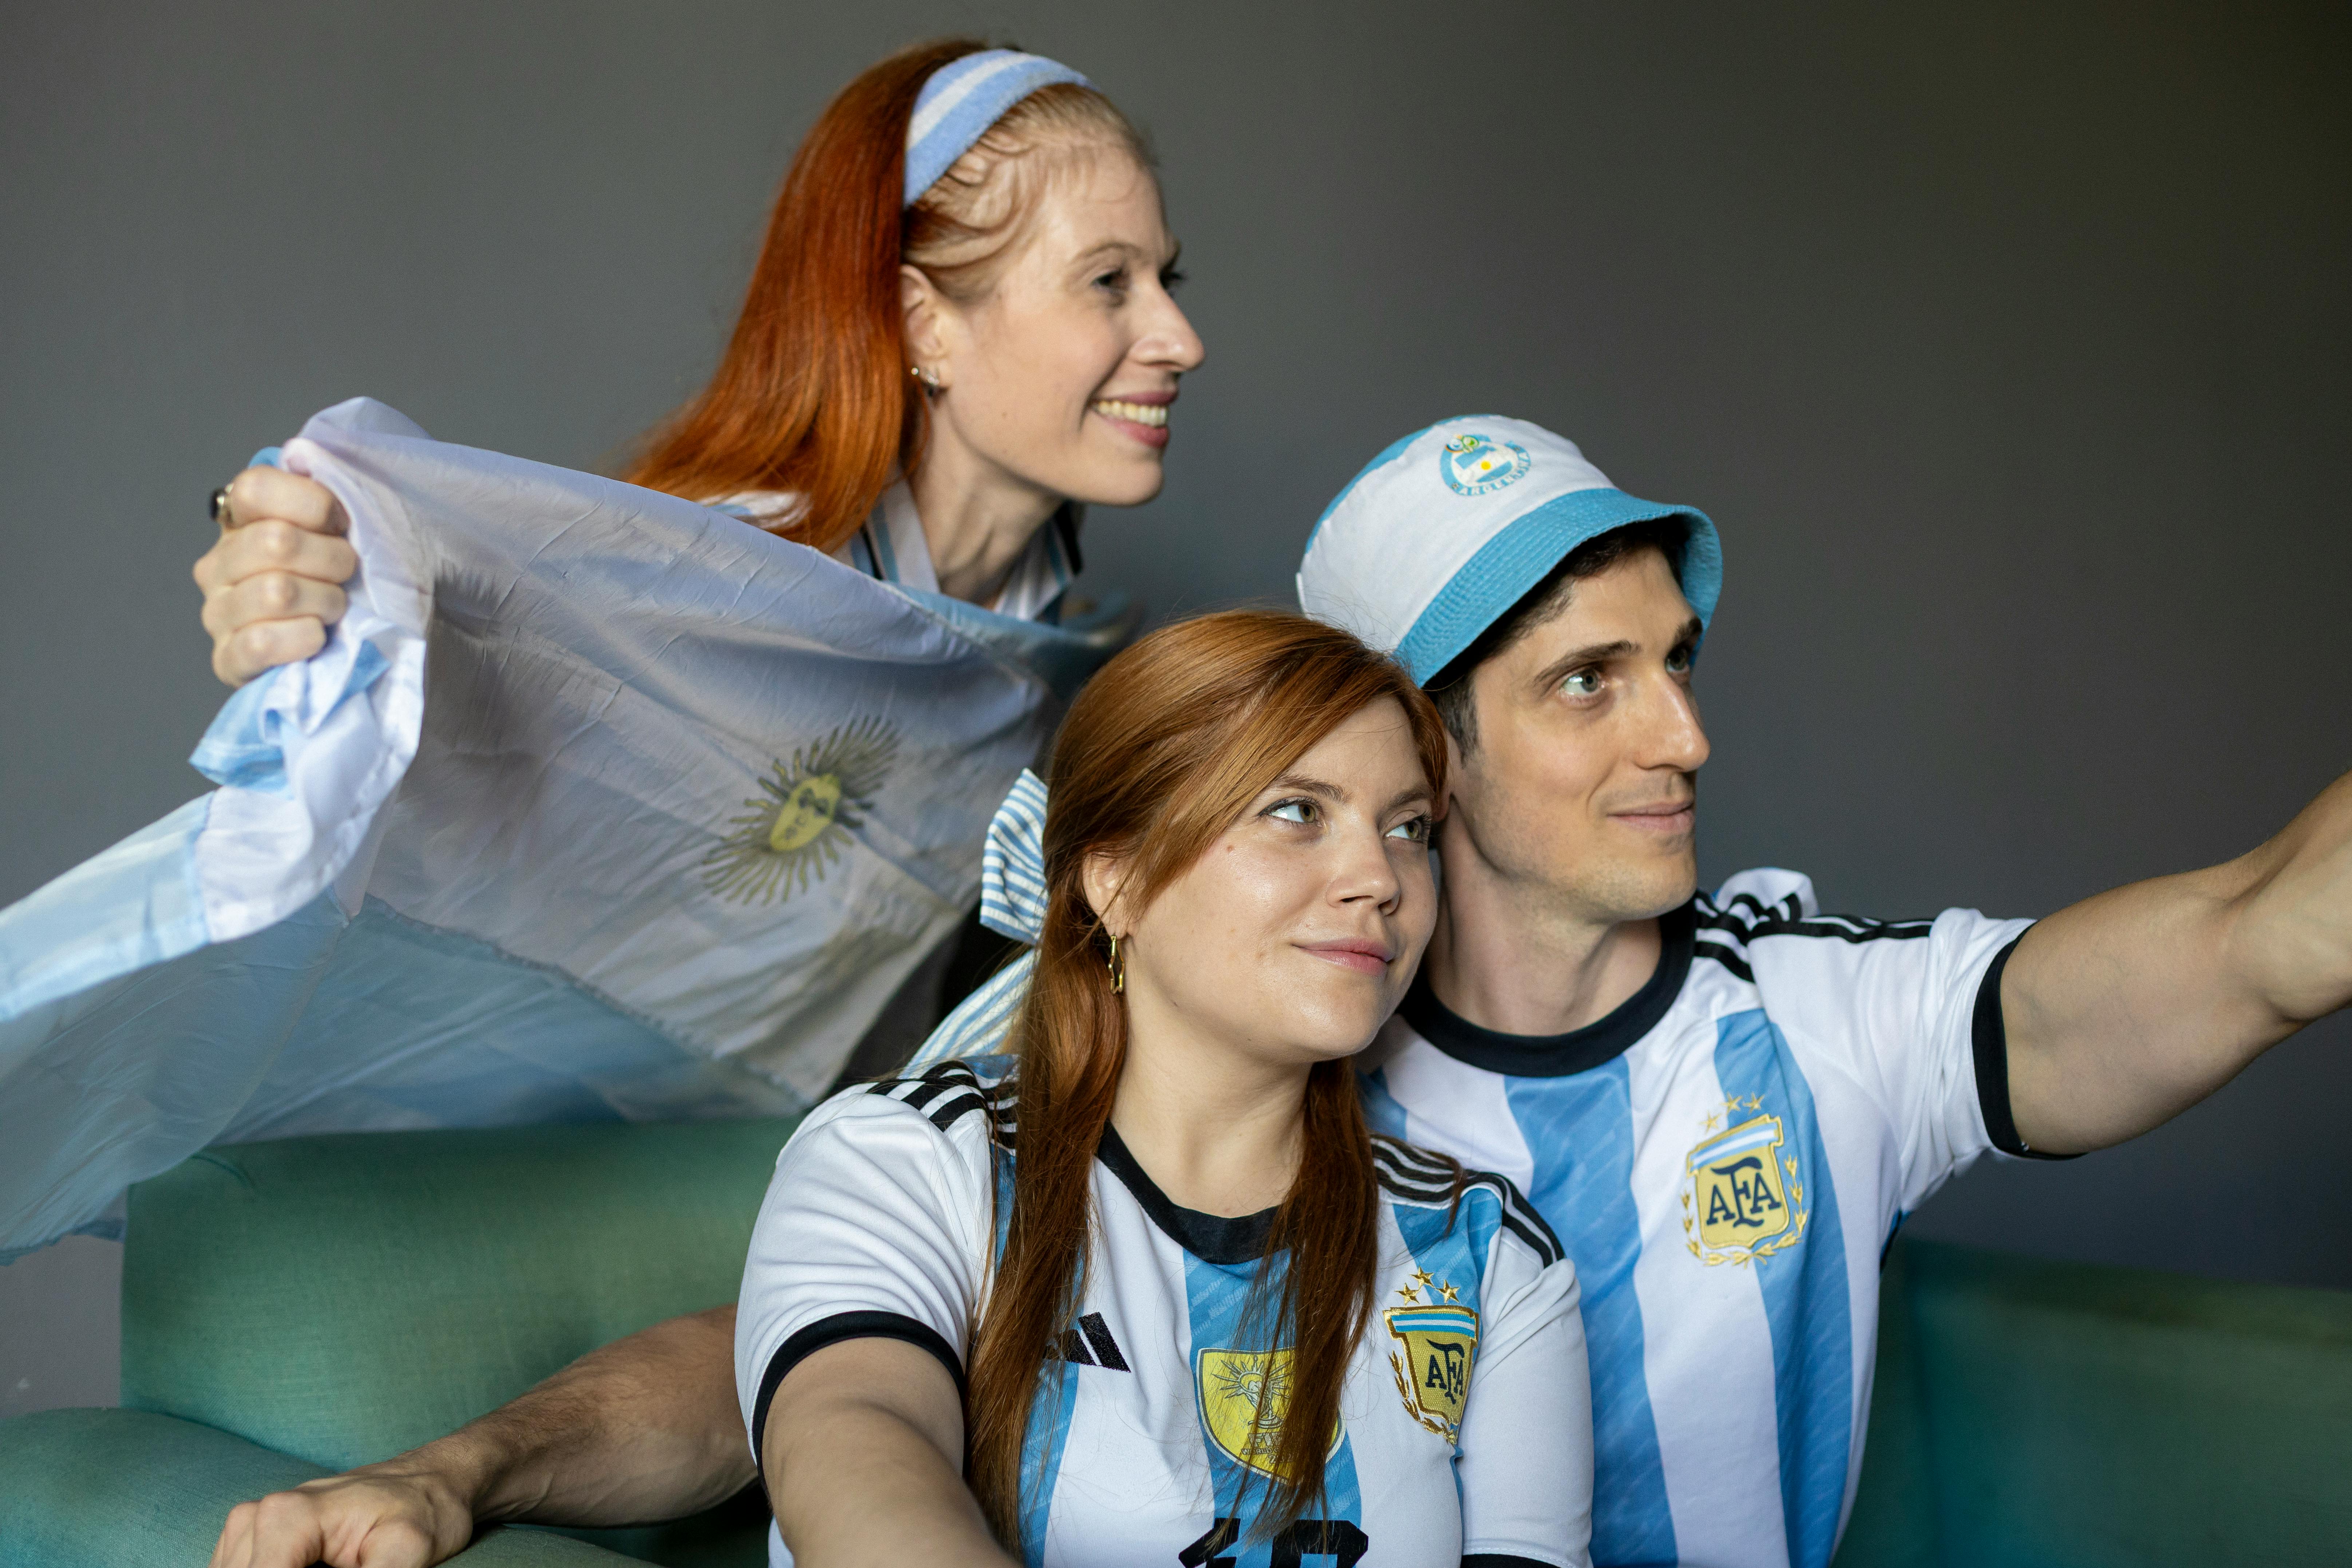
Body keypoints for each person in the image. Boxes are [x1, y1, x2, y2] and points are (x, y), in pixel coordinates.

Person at [739, 611, 1590, 1566]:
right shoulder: (907, 1158)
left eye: (1409, 827)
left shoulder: (1487, 1248)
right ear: (1117, 878)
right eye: (1298, 810)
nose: (1380, 878)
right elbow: (857, 1462)